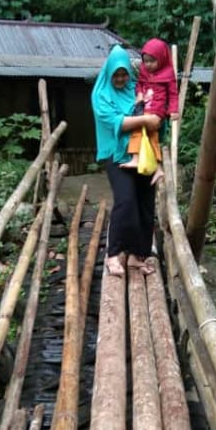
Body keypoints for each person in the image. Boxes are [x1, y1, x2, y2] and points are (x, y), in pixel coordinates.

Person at [91, 45, 162, 277]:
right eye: (117, 74)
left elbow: (155, 110)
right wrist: (146, 119)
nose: (121, 78)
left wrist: (153, 118)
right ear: (109, 73)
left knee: (145, 203)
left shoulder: (135, 88)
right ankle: (114, 254)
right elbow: (117, 123)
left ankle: (136, 255)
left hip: (141, 152)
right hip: (115, 154)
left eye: (124, 74)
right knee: (126, 201)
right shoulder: (101, 94)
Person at [121, 38, 179, 185]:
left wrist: (173, 110)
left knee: (137, 130)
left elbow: (173, 94)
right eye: (146, 61)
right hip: (145, 106)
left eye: (152, 61)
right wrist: (139, 93)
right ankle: (158, 167)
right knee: (152, 136)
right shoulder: (144, 71)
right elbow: (140, 84)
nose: (148, 65)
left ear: (161, 59)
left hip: (157, 110)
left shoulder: (168, 73)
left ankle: (135, 158)